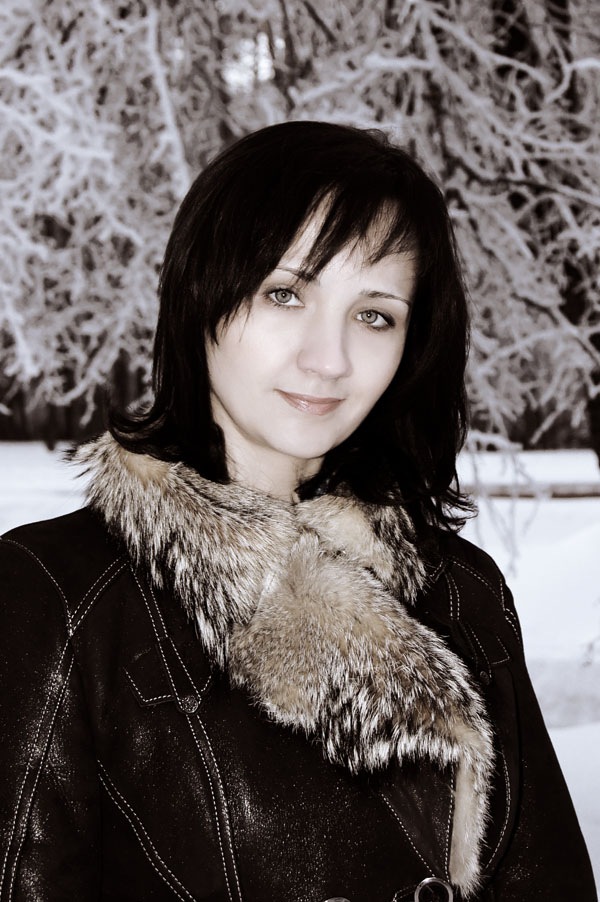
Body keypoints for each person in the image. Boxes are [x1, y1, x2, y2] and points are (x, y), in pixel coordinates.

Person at [0, 121, 596, 902]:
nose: (329, 359)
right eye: (285, 294)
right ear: (202, 294)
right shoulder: (56, 596)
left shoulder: (462, 595)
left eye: (375, 314)